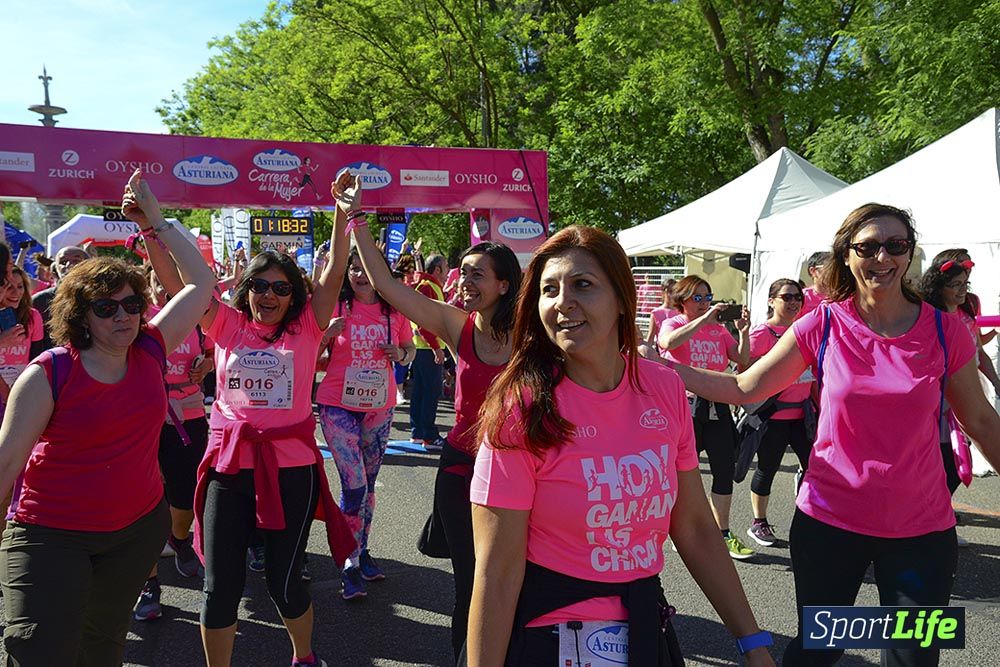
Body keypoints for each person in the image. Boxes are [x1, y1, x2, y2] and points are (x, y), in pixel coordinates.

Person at [670, 203, 1000, 667]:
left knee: (913, 656)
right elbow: (745, 388)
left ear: (909, 255)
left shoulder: (946, 331)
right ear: (847, 255)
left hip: (920, 532)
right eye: (867, 246)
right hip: (830, 524)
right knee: (820, 649)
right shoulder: (821, 324)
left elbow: (982, 422)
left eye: (895, 245)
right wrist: (660, 368)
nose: (881, 257)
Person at [465, 226, 774, 667]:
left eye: (583, 285)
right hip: (548, 633)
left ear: (622, 300)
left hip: (645, 625)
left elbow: (694, 528)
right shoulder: (522, 407)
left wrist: (753, 643)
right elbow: (497, 573)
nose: (562, 301)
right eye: (549, 290)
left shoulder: (663, 388)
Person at [0, 169, 216, 665]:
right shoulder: (49, 373)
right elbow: (7, 463)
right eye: (105, 306)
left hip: (134, 533)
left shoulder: (151, 348)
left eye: (131, 304)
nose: (123, 315)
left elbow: (201, 282)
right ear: (80, 314)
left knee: (102, 648)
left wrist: (156, 221)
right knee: (38, 650)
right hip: (50, 534)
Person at [173, 173, 356, 667]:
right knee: (220, 586)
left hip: (291, 469)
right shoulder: (227, 325)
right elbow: (179, 287)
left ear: (293, 294)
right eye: (258, 285)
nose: (268, 294)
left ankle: (304, 656)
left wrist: (340, 210)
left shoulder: (305, 326)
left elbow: (335, 271)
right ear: (247, 289)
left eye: (279, 287)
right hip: (229, 468)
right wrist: (153, 229)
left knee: (284, 579)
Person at [352, 223, 521, 662]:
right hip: (462, 466)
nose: (463, 283)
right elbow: (387, 285)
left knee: (515, 575)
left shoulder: (532, 336)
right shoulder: (455, 324)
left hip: (520, 475)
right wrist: (354, 222)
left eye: (476, 275)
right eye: (462, 272)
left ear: (504, 284)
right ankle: (465, 654)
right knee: (472, 575)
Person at [315, 249, 415, 600]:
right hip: (337, 406)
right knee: (354, 486)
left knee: (368, 486)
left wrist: (400, 355)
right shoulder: (335, 308)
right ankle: (348, 561)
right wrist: (324, 335)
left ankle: (361, 549)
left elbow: (410, 349)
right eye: (353, 268)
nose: (358, 274)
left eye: (365, 268)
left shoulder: (394, 312)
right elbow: (309, 360)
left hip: (378, 407)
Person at [133, 265, 215, 621]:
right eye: (159, 279)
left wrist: (206, 364)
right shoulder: (138, 318)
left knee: (184, 497)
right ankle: (148, 584)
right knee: (144, 501)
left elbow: (218, 353)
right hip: (145, 418)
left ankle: (180, 539)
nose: (166, 287)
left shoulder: (198, 317)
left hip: (189, 415)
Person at [658, 275, 753, 559]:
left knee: (724, 468)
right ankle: (678, 528)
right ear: (682, 300)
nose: (703, 303)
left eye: (707, 298)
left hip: (718, 404)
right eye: (696, 298)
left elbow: (742, 360)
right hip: (685, 405)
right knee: (681, 472)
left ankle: (723, 532)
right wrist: (704, 319)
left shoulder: (720, 330)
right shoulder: (673, 322)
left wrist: (743, 332)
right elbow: (667, 342)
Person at [917, 251, 1000, 549]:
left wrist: (996, 383)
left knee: (952, 467)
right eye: (956, 283)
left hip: (962, 402)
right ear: (939, 285)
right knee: (935, 465)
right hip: (933, 405)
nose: (963, 289)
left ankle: (937, 518)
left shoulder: (967, 312)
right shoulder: (926, 315)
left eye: (966, 282)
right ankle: (928, 522)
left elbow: (977, 351)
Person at [742, 279, 813, 548]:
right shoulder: (762, 333)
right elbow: (744, 370)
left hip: (803, 415)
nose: (794, 301)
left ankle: (809, 518)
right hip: (774, 416)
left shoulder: (804, 330)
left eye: (797, 297)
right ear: (772, 300)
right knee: (767, 469)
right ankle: (758, 522)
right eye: (787, 297)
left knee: (815, 469)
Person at [409, 253, 449, 447]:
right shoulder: (427, 286)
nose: (449, 271)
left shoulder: (428, 285)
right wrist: (436, 347)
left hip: (422, 348)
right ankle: (428, 435)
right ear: (437, 269)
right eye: (446, 266)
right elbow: (423, 321)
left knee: (421, 391)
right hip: (427, 348)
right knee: (430, 392)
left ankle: (418, 432)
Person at [0, 266, 46, 406]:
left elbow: (36, 358)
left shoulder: (33, 316)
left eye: (20, 286)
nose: (16, 293)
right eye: (9, 287)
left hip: (21, 390)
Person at [32, 244, 91, 350]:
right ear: (55, 271)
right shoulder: (40, 301)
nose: (70, 265)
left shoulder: (100, 297)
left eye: (77, 260)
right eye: (63, 262)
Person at [645, 276, 677, 348]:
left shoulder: (681, 311)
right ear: (663, 292)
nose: (672, 294)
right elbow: (650, 338)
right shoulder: (656, 313)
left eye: (675, 291)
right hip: (662, 351)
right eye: (670, 291)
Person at [799, 251, 830, 317]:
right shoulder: (802, 297)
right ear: (813, 271)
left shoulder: (840, 296)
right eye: (828, 267)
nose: (833, 271)